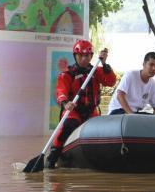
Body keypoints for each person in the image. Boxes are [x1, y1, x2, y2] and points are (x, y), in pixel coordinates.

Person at [47, 40, 117, 168]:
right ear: (75, 56)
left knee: (100, 130)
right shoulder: (67, 74)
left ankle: (99, 158)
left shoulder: (96, 71)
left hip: (91, 111)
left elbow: (111, 81)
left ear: (91, 56)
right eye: (80, 56)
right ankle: (53, 157)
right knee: (69, 125)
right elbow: (60, 91)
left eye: (87, 56)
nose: (84, 59)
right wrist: (65, 102)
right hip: (73, 110)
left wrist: (104, 63)